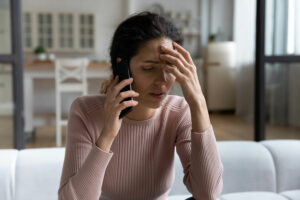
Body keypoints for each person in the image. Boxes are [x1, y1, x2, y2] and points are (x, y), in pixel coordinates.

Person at [58, 11, 223, 200]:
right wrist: (107, 135)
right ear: (123, 68)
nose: (162, 81)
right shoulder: (86, 111)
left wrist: (198, 103)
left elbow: (208, 193)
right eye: (149, 68)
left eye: (169, 68)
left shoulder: (178, 111)